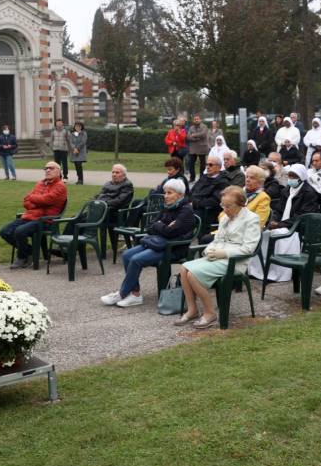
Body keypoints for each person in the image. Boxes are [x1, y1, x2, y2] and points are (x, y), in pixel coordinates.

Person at [178, 186, 262, 329]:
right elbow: (217, 240)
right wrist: (209, 250)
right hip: (218, 257)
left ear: (241, 204)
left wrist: (224, 253)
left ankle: (210, 313)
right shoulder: (225, 218)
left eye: (228, 206)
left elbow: (249, 248)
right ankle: (192, 310)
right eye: (223, 205)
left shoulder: (251, 219)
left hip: (235, 262)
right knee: (183, 269)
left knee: (193, 275)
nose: (225, 209)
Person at [101, 179, 194, 308]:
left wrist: (161, 226)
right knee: (127, 254)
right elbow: (149, 226)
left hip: (172, 249)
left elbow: (170, 232)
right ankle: (135, 294)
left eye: (169, 193)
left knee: (136, 259)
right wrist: (162, 226)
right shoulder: (166, 207)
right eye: (165, 193)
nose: (165, 196)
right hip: (157, 243)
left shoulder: (186, 211)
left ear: (180, 195)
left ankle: (123, 293)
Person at [0, 162, 67, 268]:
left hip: (45, 221)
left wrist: (33, 199)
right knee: (5, 232)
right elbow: (26, 201)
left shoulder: (60, 186)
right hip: (30, 216)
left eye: (51, 168)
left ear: (58, 171)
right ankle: (29, 250)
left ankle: (22, 257)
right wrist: (35, 202)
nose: (47, 170)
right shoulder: (40, 183)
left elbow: (46, 200)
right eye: (46, 168)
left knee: (20, 231)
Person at [94, 164, 135, 241]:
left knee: (82, 221)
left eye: (117, 172)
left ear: (124, 175)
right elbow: (98, 196)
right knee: (76, 219)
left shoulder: (127, 185)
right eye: (113, 172)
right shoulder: (108, 183)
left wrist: (102, 202)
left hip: (113, 214)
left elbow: (119, 201)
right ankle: (70, 243)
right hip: (101, 211)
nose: (114, 174)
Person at [185, 116, 209, 181]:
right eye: (195, 119)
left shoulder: (204, 126)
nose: (196, 120)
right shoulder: (191, 127)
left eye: (197, 119)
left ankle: (201, 178)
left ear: (200, 120)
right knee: (191, 163)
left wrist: (193, 135)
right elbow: (188, 136)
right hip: (193, 148)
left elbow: (203, 134)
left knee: (202, 164)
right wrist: (196, 138)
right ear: (193, 120)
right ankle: (192, 178)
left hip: (202, 148)